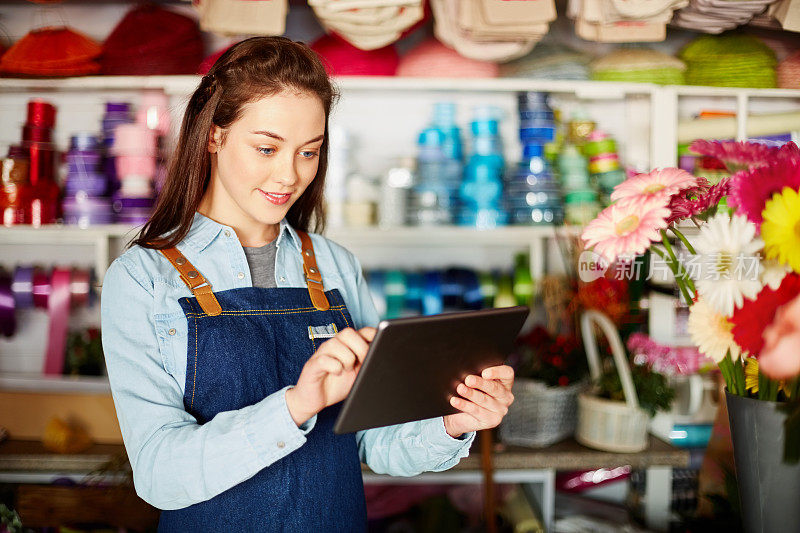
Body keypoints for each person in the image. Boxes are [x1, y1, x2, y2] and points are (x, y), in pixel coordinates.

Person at [100, 36, 515, 532]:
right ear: (214, 135)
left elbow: (373, 444)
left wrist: (453, 422)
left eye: (308, 152)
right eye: (267, 148)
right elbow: (159, 473)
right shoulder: (144, 279)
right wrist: (296, 405)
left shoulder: (335, 266)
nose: (289, 175)